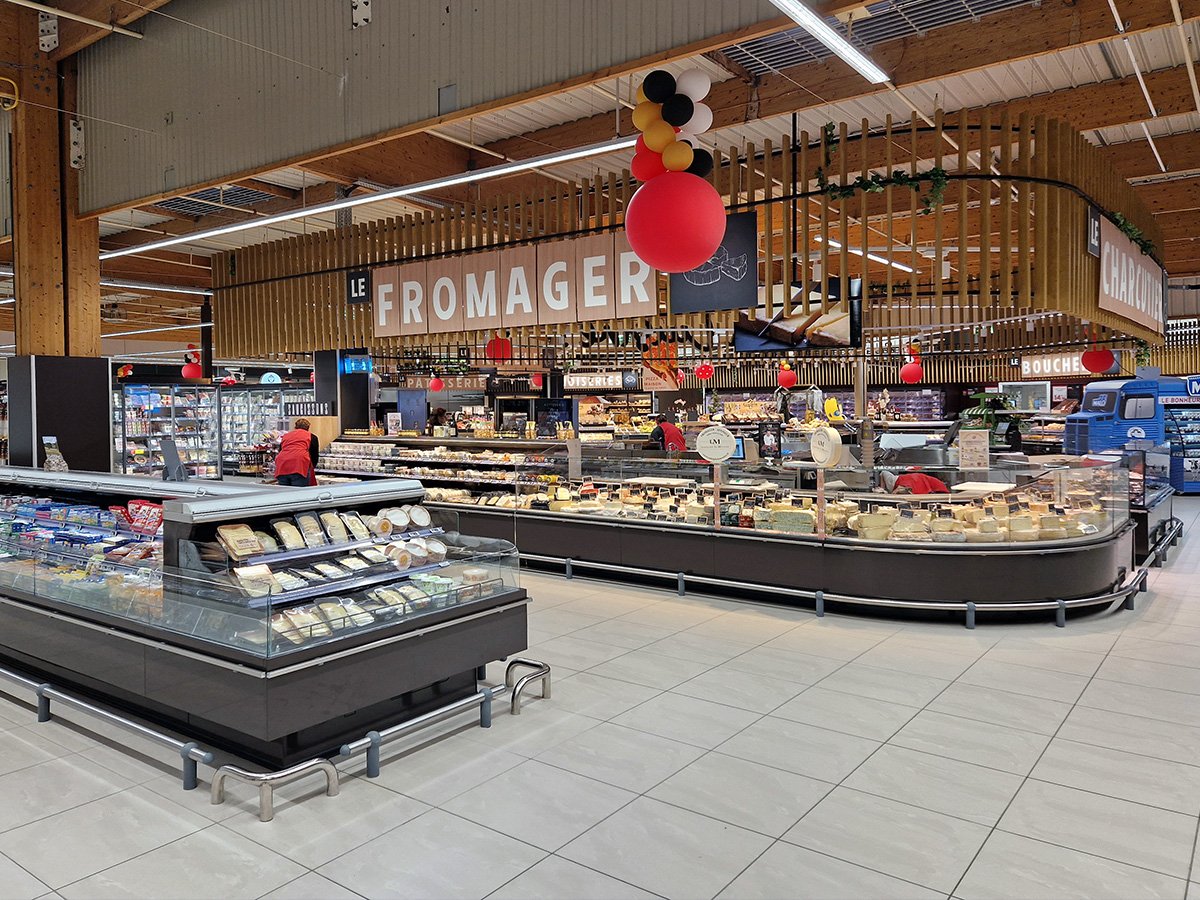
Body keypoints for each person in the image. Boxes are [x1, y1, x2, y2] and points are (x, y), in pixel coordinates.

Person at [274, 418, 320, 486]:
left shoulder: (286, 436)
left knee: (284, 491)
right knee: (298, 491)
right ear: (308, 428)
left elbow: (281, 450)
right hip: (299, 465)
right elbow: (314, 455)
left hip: (281, 465)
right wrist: (311, 468)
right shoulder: (311, 436)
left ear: (295, 427)